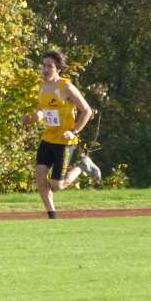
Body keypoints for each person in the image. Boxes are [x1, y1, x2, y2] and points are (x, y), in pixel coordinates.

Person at [21, 49, 102, 219]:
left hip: (64, 142)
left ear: (58, 68)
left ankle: (83, 166)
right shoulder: (42, 86)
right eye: (44, 65)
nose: (45, 69)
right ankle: (52, 216)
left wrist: (73, 132)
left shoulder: (66, 87)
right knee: (40, 177)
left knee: (56, 185)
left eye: (50, 66)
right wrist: (31, 118)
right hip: (47, 138)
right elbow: (43, 111)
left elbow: (87, 111)